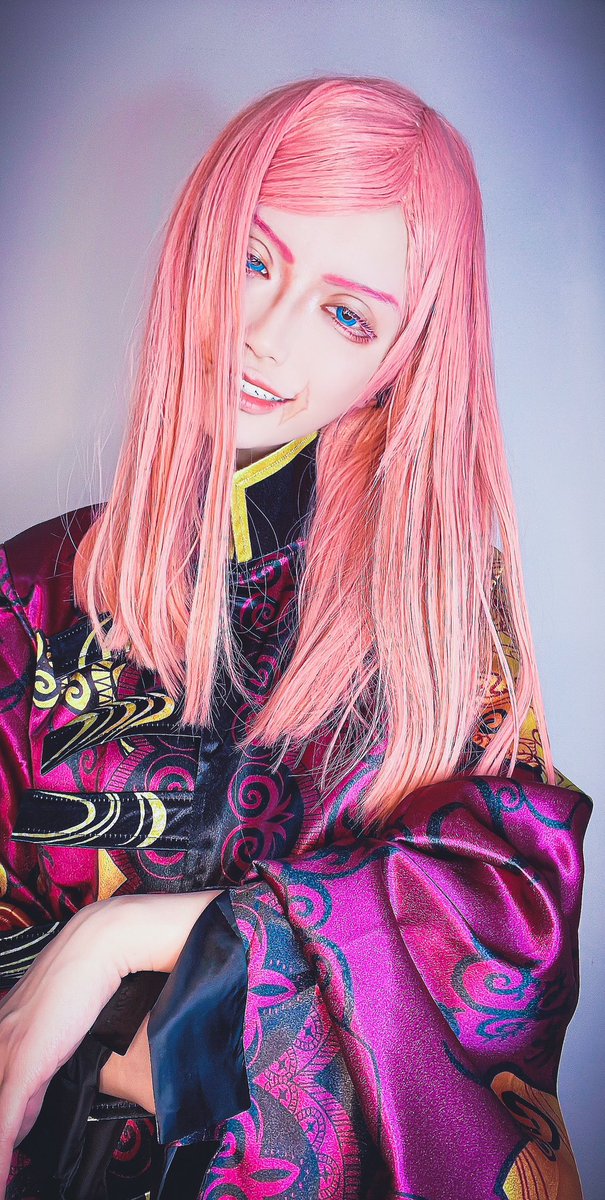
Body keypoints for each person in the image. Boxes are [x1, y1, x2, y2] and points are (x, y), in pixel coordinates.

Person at [0, 74, 592, 1200]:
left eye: (345, 313)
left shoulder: (437, 618)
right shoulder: (32, 587)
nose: (263, 337)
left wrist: (111, 944)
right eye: (253, 260)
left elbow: (497, 936)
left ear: (400, 356)